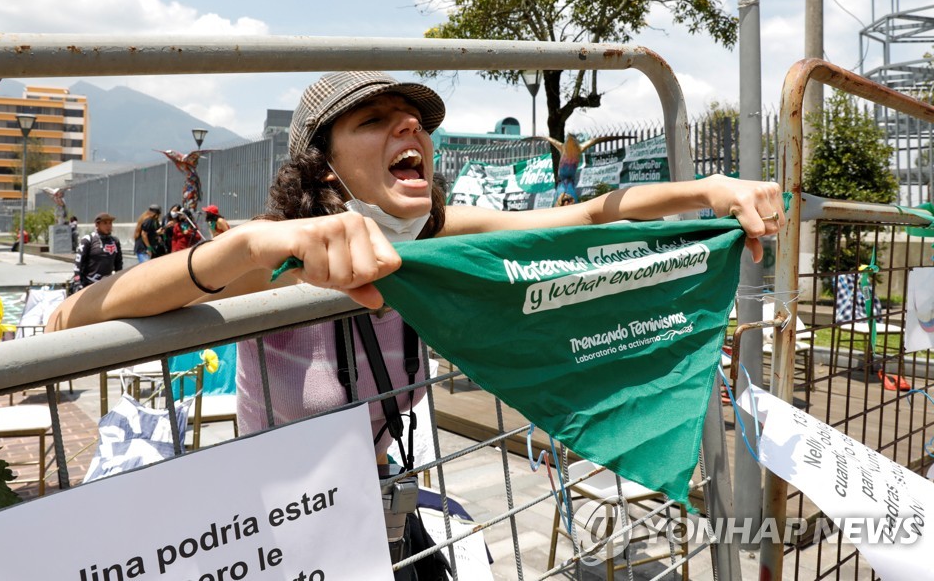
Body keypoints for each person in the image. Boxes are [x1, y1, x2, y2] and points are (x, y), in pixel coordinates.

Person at [48, 71, 783, 561]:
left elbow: (584, 214)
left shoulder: (426, 241)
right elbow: (72, 320)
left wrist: (711, 190)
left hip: (388, 525)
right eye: (375, 120)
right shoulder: (275, 261)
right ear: (323, 164)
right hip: (281, 541)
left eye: (419, 122)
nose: (411, 127)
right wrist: (243, 245)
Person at [72, 212, 124, 290]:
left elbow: (119, 263)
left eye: (110, 223)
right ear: (97, 225)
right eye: (105, 223)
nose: (108, 226)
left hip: (107, 284)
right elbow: (78, 263)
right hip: (88, 283)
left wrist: (119, 279)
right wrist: (77, 281)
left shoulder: (115, 241)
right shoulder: (88, 239)